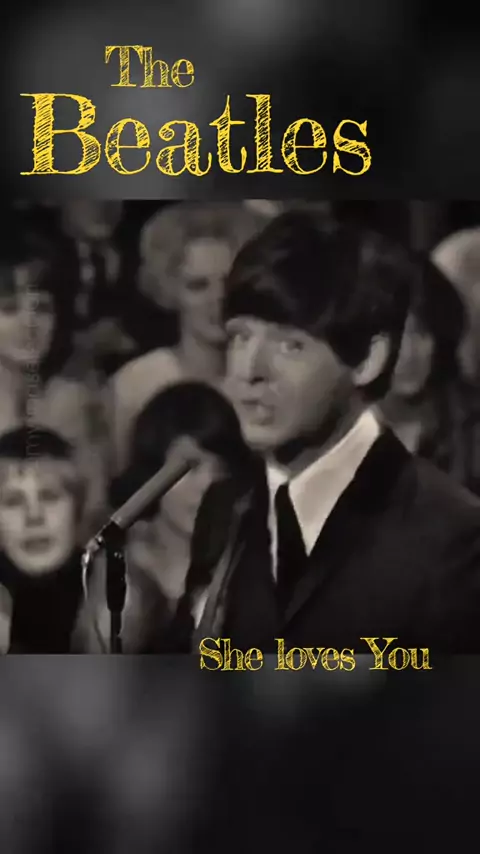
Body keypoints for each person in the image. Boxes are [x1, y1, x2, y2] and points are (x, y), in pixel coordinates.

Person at [179, 207, 480, 655]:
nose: (248, 370)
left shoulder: (450, 535)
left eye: (289, 345)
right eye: (240, 337)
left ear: (368, 360)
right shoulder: (226, 509)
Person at [79, 382, 256, 653]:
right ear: (152, 470)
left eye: (222, 471)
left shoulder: (250, 558)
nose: (207, 485)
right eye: (190, 468)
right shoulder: (119, 570)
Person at [109, 202, 279, 472]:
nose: (217, 299)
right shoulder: (136, 385)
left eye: (227, 283)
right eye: (198, 286)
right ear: (169, 289)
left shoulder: (266, 377)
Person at [378, 256, 480, 495]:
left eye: (421, 332)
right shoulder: (336, 427)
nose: (408, 353)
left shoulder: (471, 425)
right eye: (396, 335)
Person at [0, 427, 85, 653]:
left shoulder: (115, 589)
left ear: (77, 507)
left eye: (49, 496)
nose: (34, 517)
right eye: (13, 501)